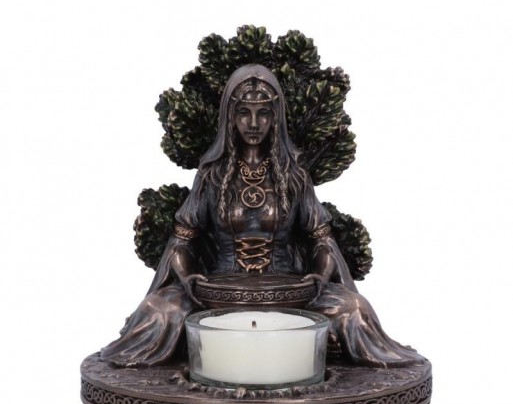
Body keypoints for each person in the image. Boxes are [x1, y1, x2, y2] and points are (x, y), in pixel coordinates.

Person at [101, 64, 424, 369]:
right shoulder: (212, 176)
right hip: (219, 291)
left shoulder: (294, 176)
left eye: (263, 113)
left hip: (288, 290)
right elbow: (183, 239)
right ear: (230, 117)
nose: (253, 124)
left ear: (275, 118)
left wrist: (319, 275)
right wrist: (187, 278)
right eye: (244, 112)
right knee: (159, 309)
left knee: (354, 308)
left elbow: (322, 239)